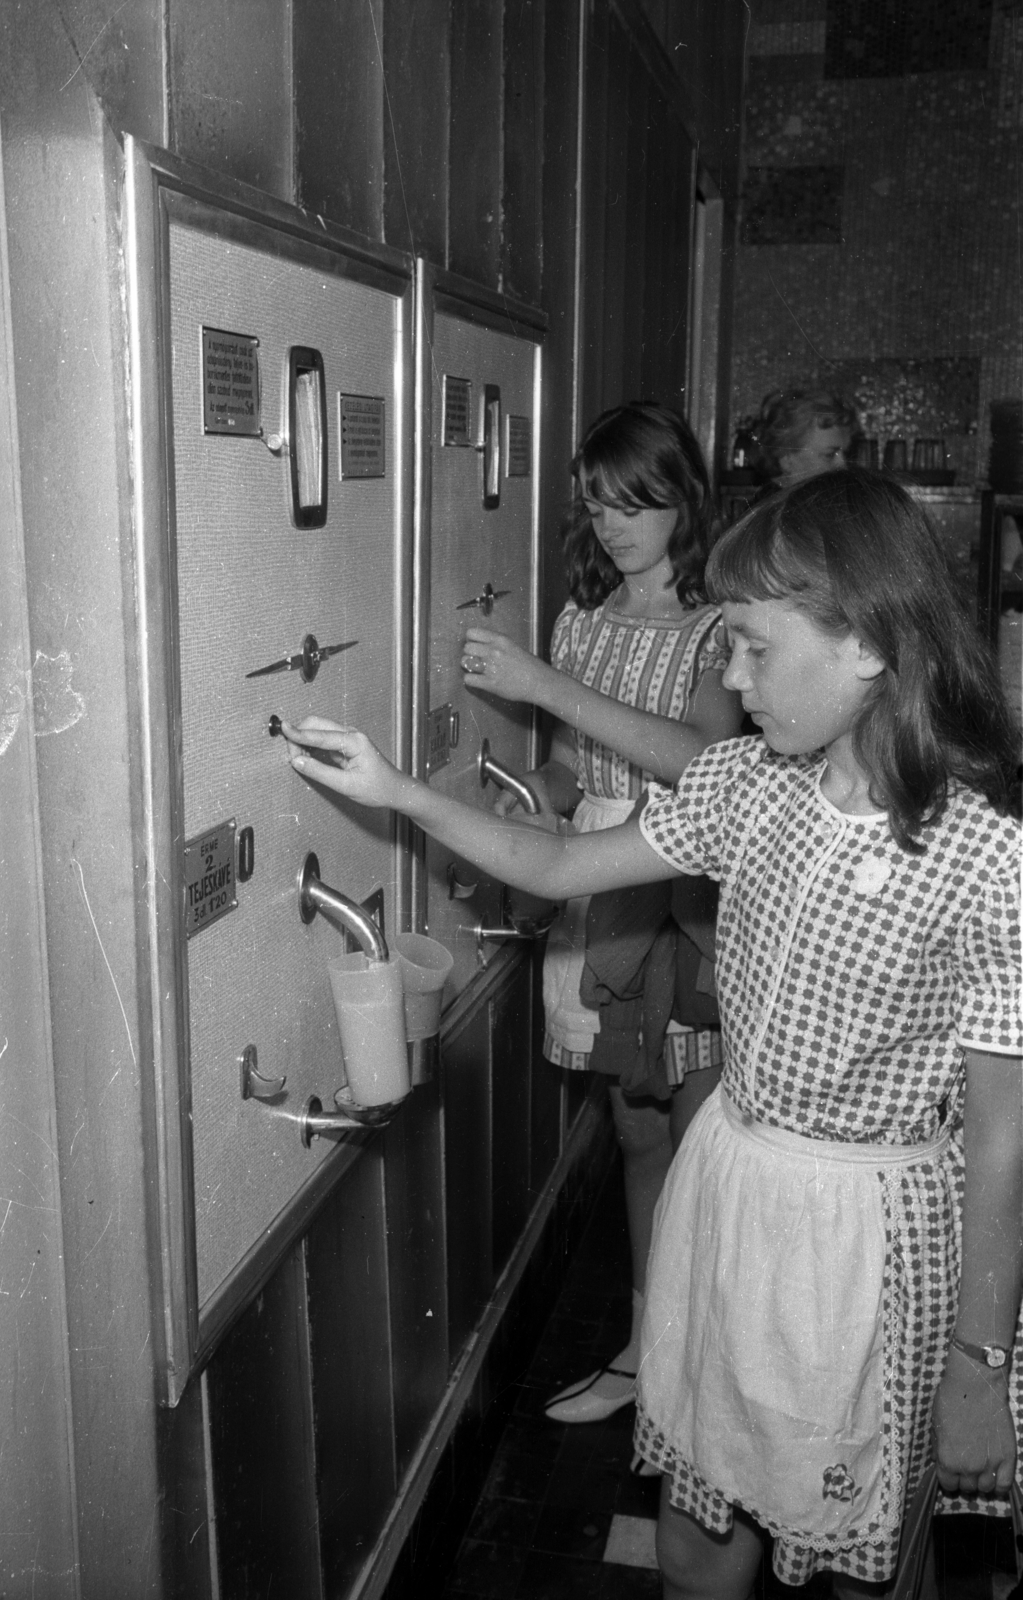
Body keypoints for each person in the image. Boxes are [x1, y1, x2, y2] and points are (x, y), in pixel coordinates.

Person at [281, 467, 1021, 1597]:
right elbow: (565, 861)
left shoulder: (983, 858)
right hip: (730, 1195)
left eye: (754, 648)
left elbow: (1002, 1137)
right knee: (695, 1537)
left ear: (867, 646)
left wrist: (978, 1363)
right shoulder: (744, 785)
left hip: (869, 1238)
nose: (728, 676)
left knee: (861, 1561)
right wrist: (403, 795)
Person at [457, 401, 743, 1428]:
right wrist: (527, 794)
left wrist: (545, 685)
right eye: (598, 503)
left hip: (691, 902)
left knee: (704, 1131)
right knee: (632, 1129)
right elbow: (576, 767)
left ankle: (707, 1364)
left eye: (639, 501)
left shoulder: (724, 624)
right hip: (600, 886)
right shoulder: (580, 620)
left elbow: (702, 764)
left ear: (684, 499)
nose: (615, 523)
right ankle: (643, 1349)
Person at [752, 387, 857, 489]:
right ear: (787, 458)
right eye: (829, 455)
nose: (843, 466)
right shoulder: (773, 505)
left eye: (847, 454)